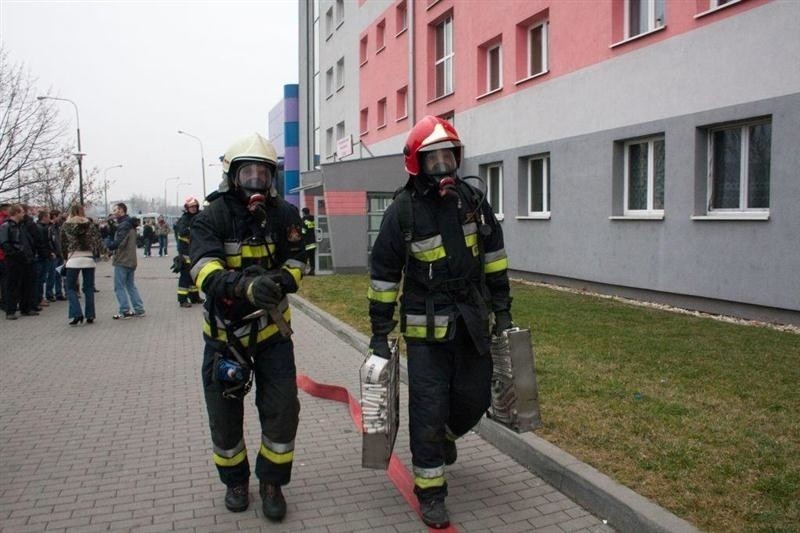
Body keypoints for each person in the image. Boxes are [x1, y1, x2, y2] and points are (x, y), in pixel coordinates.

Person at [367, 116, 513, 529]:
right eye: (434, 160)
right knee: (428, 409)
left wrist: (501, 312)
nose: (444, 167)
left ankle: (448, 435)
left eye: (449, 157)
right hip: (425, 330)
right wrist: (380, 334)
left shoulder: (472, 200)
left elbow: (495, 259)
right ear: (417, 164)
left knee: (475, 397)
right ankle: (430, 492)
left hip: (470, 321)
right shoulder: (403, 212)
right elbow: (382, 277)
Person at [189, 132, 307, 522]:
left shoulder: (286, 215)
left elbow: (298, 262)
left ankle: (272, 482)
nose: (256, 180)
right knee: (224, 418)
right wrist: (244, 286)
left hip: (273, 335)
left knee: (282, 411)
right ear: (232, 176)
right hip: (226, 337)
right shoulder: (212, 217)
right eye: (248, 173)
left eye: (263, 173)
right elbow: (203, 269)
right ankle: (235, 481)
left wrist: (282, 283)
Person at [60, 204, 103, 325]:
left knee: (70, 288)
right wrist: (102, 253)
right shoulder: (89, 225)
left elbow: (63, 243)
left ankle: (76, 314)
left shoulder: (66, 225)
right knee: (88, 288)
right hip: (88, 258)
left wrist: (64, 258)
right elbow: (97, 240)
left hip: (73, 258)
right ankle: (90, 315)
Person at [105, 203, 145, 319]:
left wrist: (108, 242)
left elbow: (118, 243)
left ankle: (125, 310)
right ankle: (139, 308)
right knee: (130, 285)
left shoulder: (124, 225)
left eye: (115, 210)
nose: (113, 212)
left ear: (121, 210)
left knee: (119, 286)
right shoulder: (130, 224)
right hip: (131, 259)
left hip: (122, 259)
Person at [0, 204, 37, 319]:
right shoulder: (6, 226)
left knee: (26, 284)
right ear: (16, 213)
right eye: (21, 212)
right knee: (13, 285)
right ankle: (10, 311)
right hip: (14, 260)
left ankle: (26, 308)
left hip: (26, 259)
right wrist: (15, 254)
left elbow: (26, 241)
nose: (23, 214)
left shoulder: (20, 226)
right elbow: (4, 243)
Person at [174, 197, 204, 307]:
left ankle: (194, 297)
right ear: (187, 208)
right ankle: (182, 300)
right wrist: (193, 229)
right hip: (185, 252)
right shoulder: (184, 219)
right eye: (191, 207)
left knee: (193, 275)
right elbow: (182, 232)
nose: (194, 208)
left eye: (195, 206)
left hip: (195, 251)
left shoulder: (199, 216)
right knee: (185, 276)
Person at [300, 207, 317, 275]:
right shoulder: (313, 219)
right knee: (312, 257)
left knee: (304, 257)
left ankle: (303, 271)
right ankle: (312, 271)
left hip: (306, 242)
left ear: (303, 212)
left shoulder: (304, 219)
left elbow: (303, 231)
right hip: (312, 241)